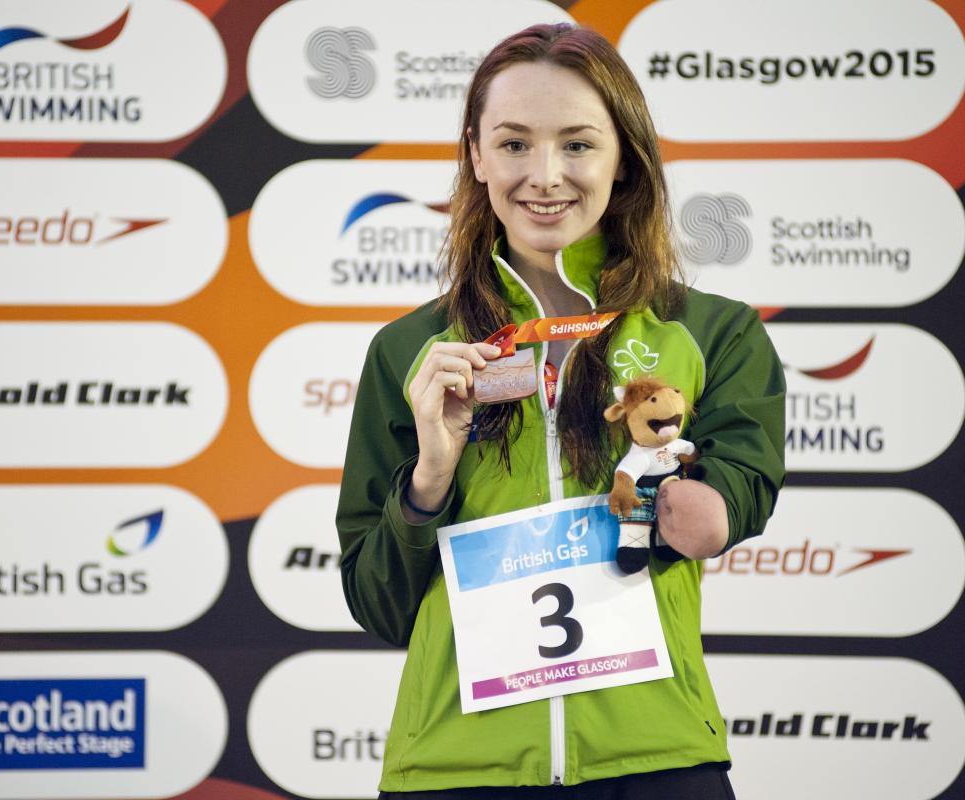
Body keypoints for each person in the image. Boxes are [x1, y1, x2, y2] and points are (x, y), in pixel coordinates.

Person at [335, 22, 785, 800]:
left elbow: (737, 491)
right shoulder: (410, 351)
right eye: (514, 145)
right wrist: (429, 481)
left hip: (653, 763)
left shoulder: (713, 333)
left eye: (577, 145)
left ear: (624, 159)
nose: (545, 176)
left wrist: (704, 499)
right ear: (476, 154)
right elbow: (378, 603)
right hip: (455, 771)